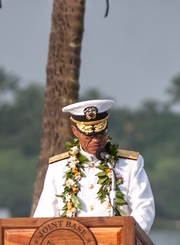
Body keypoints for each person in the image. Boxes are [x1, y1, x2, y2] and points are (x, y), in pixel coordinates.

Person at [34, 99, 155, 233]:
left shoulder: (129, 164)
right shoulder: (58, 167)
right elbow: (45, 216)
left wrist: (127, 237)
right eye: (89, 135)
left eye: (101, 133)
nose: (96, 140)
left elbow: (144, 208)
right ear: (75, 131)